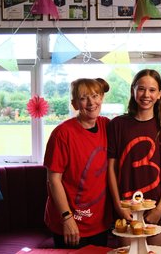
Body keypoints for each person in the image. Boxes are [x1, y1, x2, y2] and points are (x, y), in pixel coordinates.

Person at [107, 69, 161, 246]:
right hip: (125, 209)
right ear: (133, 90)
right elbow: (111, 168)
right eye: (141, 89)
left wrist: (160, 209)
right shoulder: (117, 125)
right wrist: (118, 205)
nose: (146, 95)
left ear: (159, 94)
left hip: (157, 208)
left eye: (152, 90)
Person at [44, 78, 112, 249]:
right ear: (74, 104)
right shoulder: (62, 134)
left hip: (99, 221)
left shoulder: (107, 126)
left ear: (102, 98)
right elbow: (53, 180)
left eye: (95, 96)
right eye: (83, 98)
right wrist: (67, 218)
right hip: (70, 220)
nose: (91, 103)